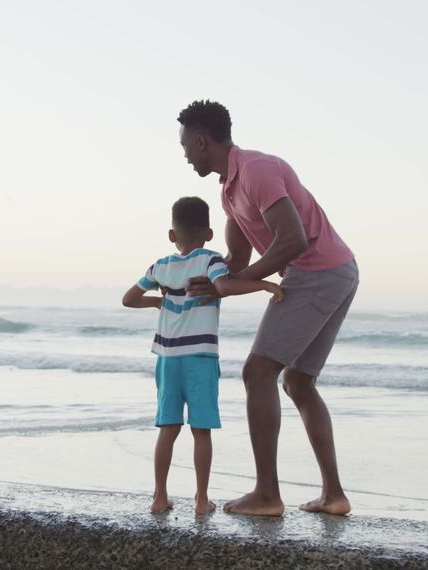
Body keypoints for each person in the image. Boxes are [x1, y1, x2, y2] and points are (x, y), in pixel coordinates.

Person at [177, 100, 359, 516]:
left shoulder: (256, 170)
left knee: (257, 372)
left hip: (317, 271)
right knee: (298, 382)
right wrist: (206, 276)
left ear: (202, 141)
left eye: (186, 145)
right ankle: (334, 495)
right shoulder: (229, 191)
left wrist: (247, 282)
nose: (185, 154)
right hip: (336, 271)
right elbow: (236, 261)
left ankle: (267, 494)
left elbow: (292, 240)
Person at [123, 196, 284, 515]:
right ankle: (200, 500)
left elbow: (129, 299)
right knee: (201, 430)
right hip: (200, 358)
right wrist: (265, 285)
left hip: (168, 359)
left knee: (167, 429)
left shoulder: (160, 266)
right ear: (210, 234)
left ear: (172, 235)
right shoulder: (212, 261)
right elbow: (224, 287)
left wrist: (156, 303)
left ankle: (159, 497)